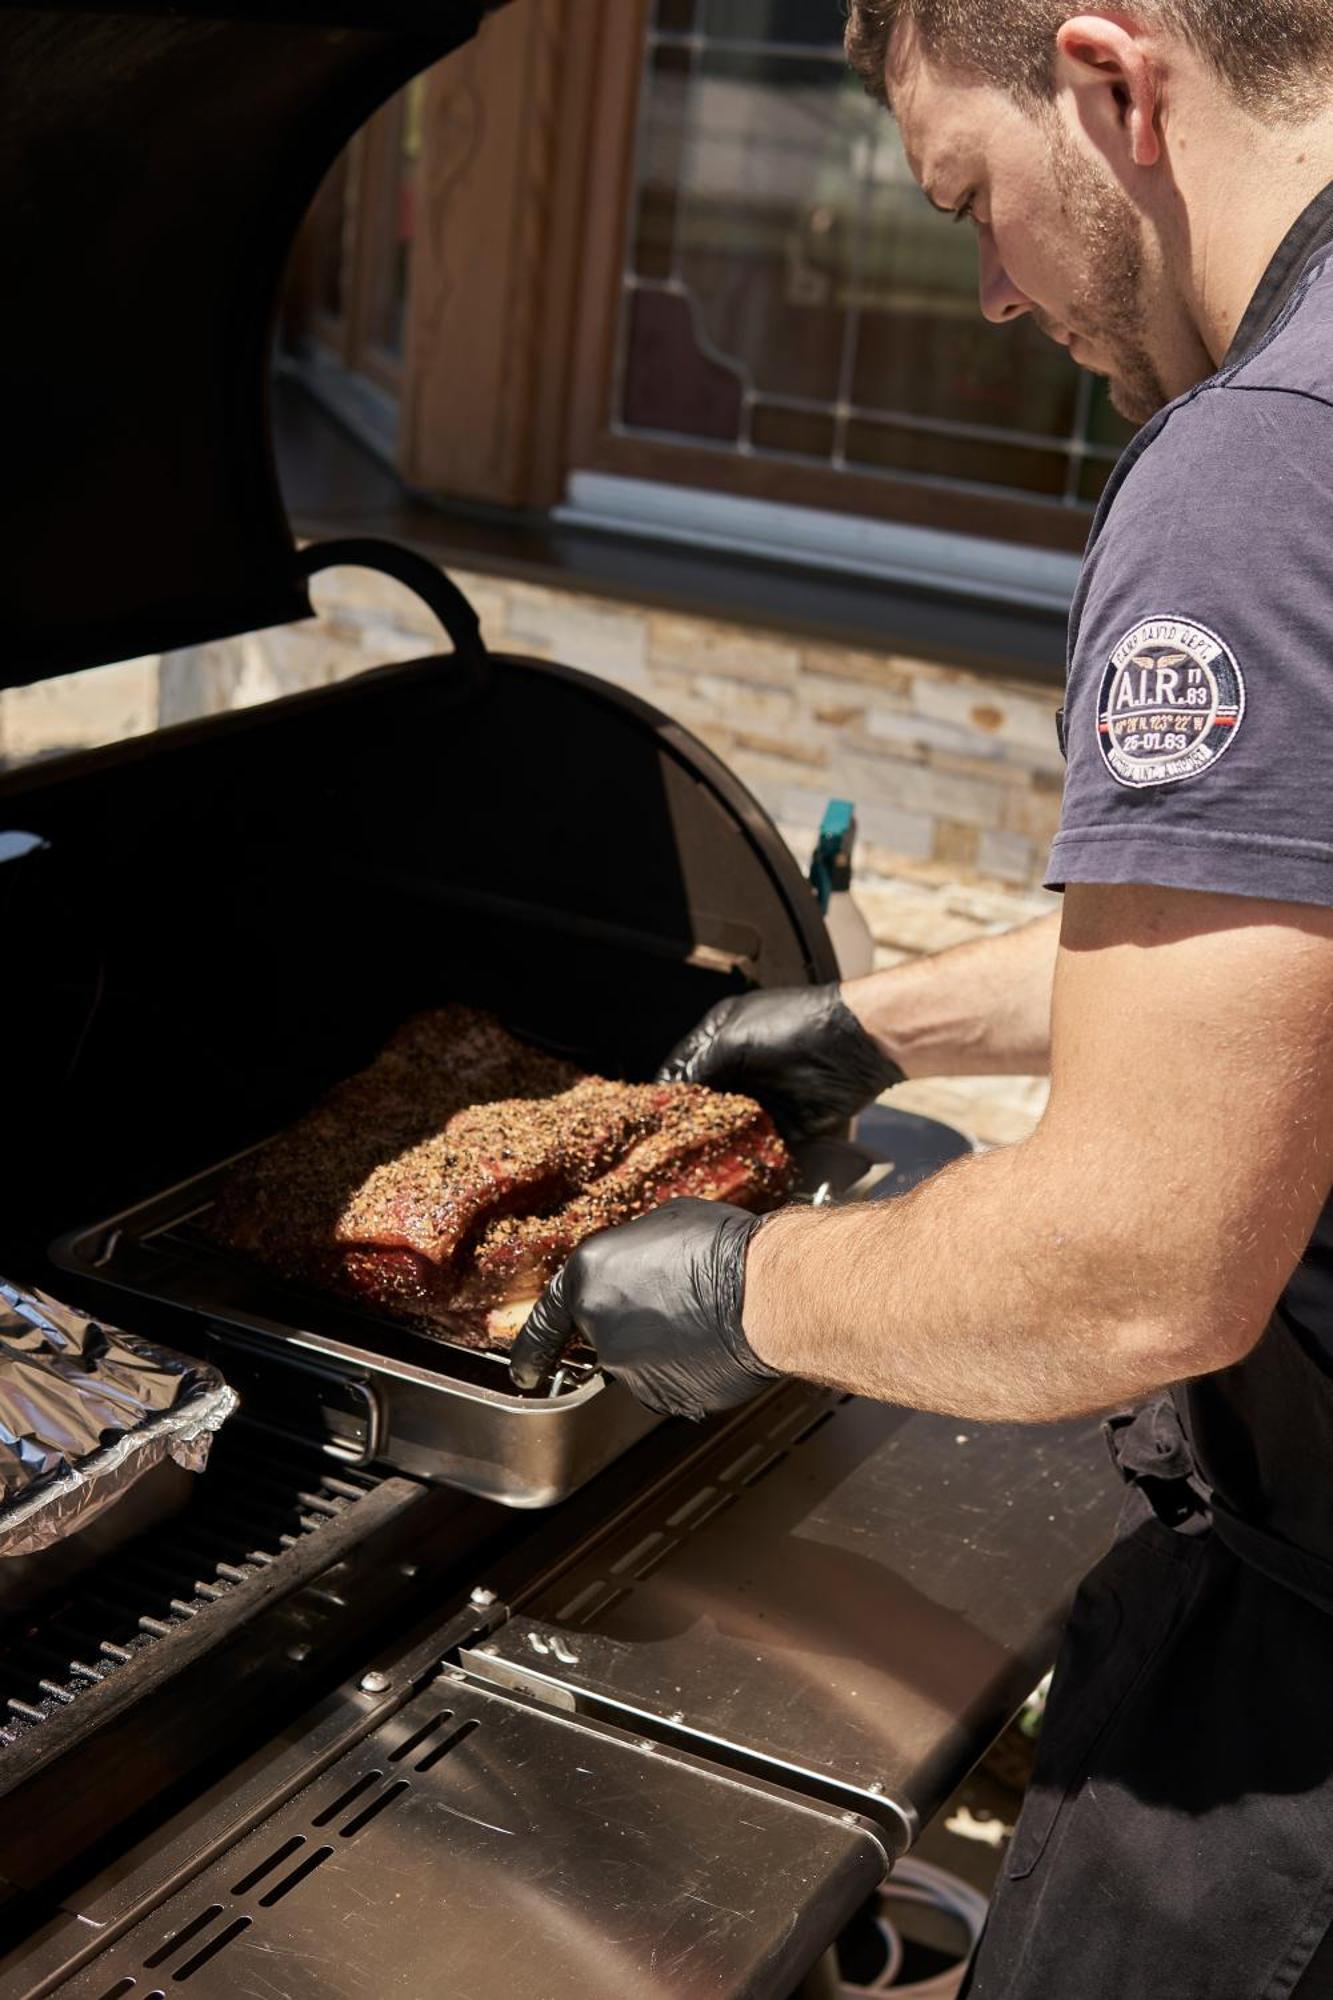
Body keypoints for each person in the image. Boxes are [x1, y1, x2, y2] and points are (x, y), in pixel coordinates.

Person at [512, 4, 1333, 1992]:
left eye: (970, 198)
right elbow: (1269, 926)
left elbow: (1141, 1261)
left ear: (1111, 80)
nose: (980, 294)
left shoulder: (1253, 480)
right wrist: (883, 1027)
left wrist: (738, 1293)